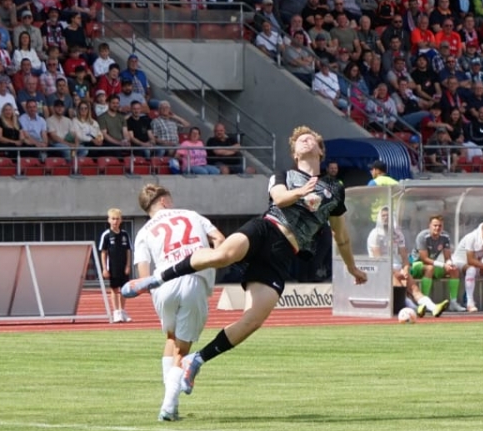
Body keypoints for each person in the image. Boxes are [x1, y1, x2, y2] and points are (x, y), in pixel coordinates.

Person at [123, 126, 367, 395]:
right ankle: (156, 278)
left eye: (311, 139)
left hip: (284, 252)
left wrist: (352, 267)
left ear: (320, 151)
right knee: (222, 255)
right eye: (300, 140)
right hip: (265, 230)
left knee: (253, 320)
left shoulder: (334, 189)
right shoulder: (283, 175)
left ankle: (197, 360)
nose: (305, 140)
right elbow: (280, 198)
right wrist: (301, 192)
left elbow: (341, 236)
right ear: (295, 154)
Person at [131, 183, 224, 421]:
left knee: (171, 338)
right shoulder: (191, 214)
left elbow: (143, 277)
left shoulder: (143, 232)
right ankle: (169, 407)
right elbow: (219, 239)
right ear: (163, 201)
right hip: (193, 279)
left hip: (163, 284)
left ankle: (170, 402)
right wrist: (217, 262)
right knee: (183, 350)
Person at [369, 207, 448, 319]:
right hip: (381, 269)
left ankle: (433, 308)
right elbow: (379, 261)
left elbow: (404, 256)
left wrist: (406, 269)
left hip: (398, 268)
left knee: (414, 288)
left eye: (388, 216)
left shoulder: (398, 234)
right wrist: (396, 273)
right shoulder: (375, 235)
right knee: (399, 286)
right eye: (383, 216)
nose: (386, 218)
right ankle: (415, 309)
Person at [96, 207, 133, 324]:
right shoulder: (106, 235)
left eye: (117, 219)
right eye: (113, 219)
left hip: (123, 266)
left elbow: (128, 250)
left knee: (124, 290)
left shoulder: (125, 234)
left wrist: (128, 265)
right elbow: (103, 252)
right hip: (112, 266)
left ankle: (122, 311)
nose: (115, 221)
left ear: (121, 220)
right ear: (109, 220)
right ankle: (116, 312)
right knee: (114, 289)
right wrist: (104, 268)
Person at [412, 214, 455, 308]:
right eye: (435, 225)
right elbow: (424, 258)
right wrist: (443, 265)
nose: (437, 228)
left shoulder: (445, 236)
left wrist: (449, 263)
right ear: (430, 226)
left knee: (454, 270)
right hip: (416, 264)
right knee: (430, 268)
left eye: (440, 226)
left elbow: (448, 257)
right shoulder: (422, 236)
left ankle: (454, 302)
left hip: (432, 264)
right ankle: (424, 302)